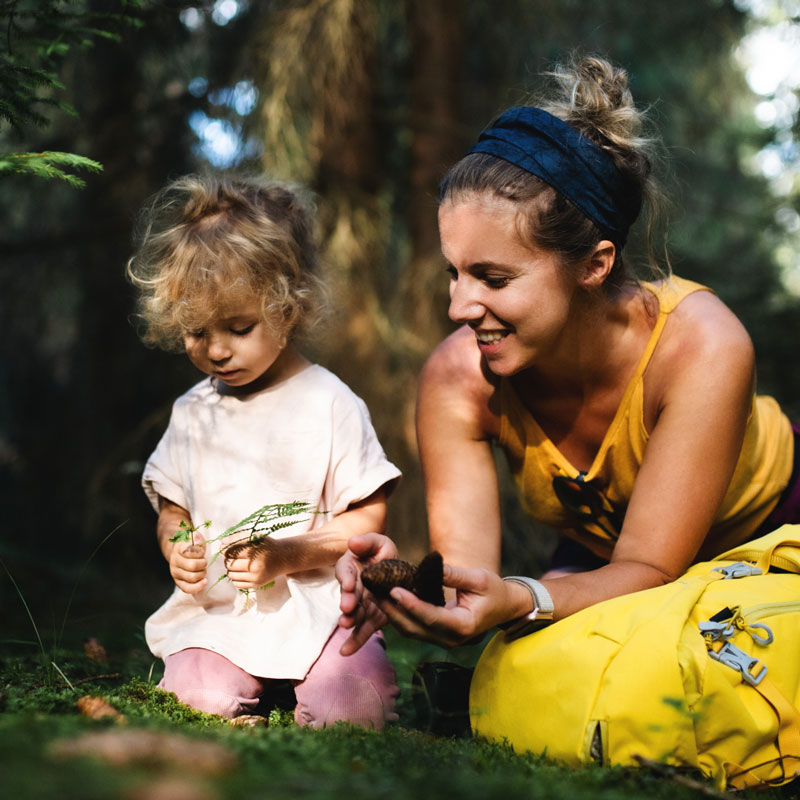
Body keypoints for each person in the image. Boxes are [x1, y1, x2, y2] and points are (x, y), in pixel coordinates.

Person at [337, 56, 799, 654]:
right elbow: (470, 594)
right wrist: (405, 585)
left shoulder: (701, 346)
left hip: (771, 531)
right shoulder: (458, 380)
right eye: (454, 274)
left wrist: (531, 597)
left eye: (493, 279)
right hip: (608, 558)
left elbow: (651, 571)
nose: (458, 307)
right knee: (536, 659)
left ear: (594, 264)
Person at [127, 174, 401, 727]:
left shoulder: (330, 403)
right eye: (197, 332)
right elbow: (172, 506)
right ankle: (239, 691)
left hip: (320, 609)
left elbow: (366, 519)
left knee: (353, 704)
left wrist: (285, 556)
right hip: (222, 616)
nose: (217, 350)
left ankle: (315, 688)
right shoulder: (193, 411)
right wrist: (174, 545)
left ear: (289, 305)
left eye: (239, 326)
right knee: (193, 696)